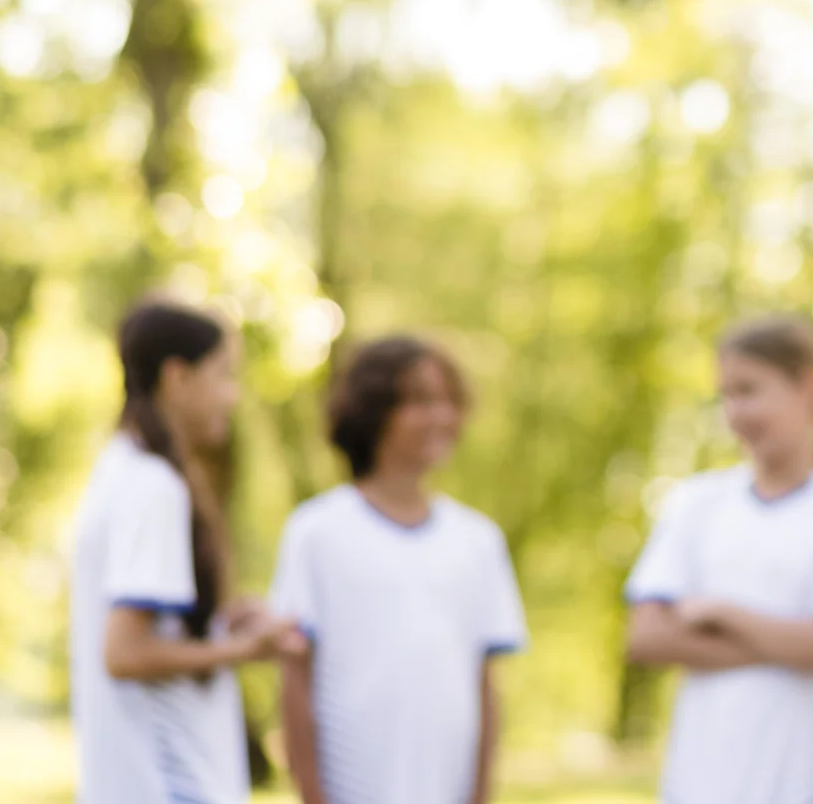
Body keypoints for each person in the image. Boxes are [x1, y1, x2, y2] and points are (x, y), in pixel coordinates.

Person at [624, 315, 813, 804]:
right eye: (726, 395)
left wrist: (722, 614)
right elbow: (647, 636)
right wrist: (798, 644)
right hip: (700, 781)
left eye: (748, 390)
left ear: (808, 385)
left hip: (809, 782)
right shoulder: (697, 503)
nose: (733, 413)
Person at [271, 335, 527, 804]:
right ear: (374, 410)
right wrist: (312, 794)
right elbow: (295, 678)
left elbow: (484, 684)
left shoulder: (478, 540)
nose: (442, 417)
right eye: (421, 401)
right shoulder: (316, 531)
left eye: (450, 402)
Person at [69, 300, 296, 804]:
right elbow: (126, 654)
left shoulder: (121, 470)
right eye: (224, 375)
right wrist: (248, 650)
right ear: (178, 377)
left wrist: (221, 622)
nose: (232, 397)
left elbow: (147, 632)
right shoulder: (153, 485)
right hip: (166, 787)